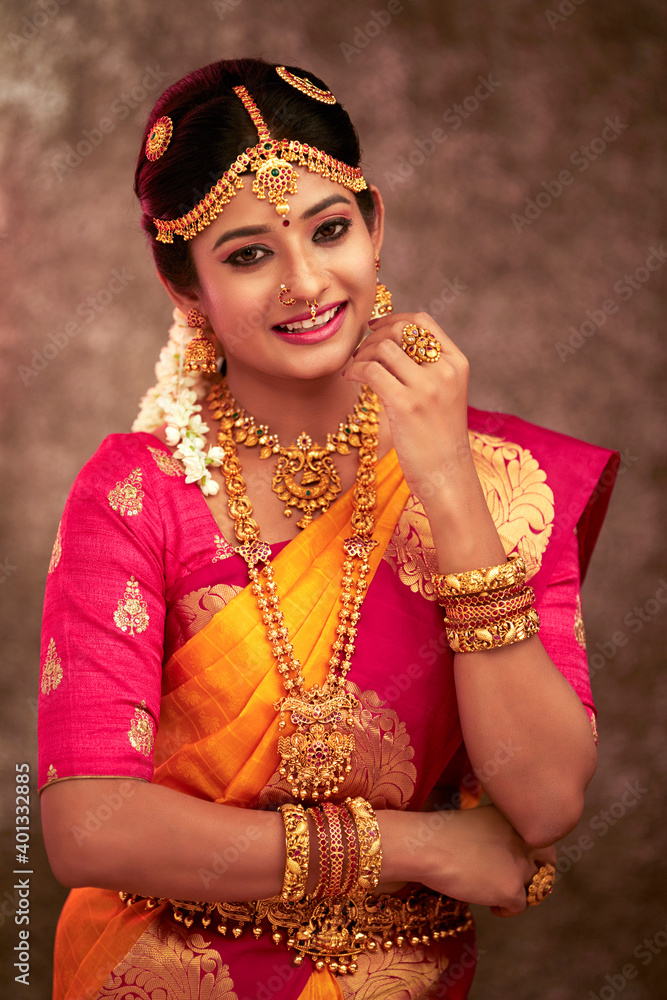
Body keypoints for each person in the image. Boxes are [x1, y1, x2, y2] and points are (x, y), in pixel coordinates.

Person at [38, 57, 618, 1000]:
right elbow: (84, 829)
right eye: (249, 254)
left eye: (330, 230)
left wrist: (445, 483)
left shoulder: (504, 480)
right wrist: (414, 845)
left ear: (375, 225)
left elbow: (544, 800)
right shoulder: (136, 494)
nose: (306, 283)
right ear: (182, 281)